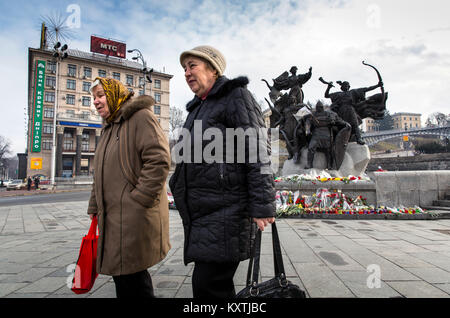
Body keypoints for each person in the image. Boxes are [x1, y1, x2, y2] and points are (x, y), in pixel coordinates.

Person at [169, 45, 276, 298]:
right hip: (203, 212)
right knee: (211, 286)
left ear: (213, 69)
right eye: (184, 68)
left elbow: (258, 149)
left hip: (226, 211)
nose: (186, 72)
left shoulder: (235, 96)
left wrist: (262, 205)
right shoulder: (197, 108)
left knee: (208, 285)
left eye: (192, 65)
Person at [87, 77, 171, 298]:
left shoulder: (140, 117)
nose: (95, 101)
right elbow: (101, 173)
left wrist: (140, 198)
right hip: (113, 216)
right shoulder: (109, 126)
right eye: (93, 97)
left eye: (100, 95)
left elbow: (159, 159)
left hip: (132, 215)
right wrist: (94, 205)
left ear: (115, 94)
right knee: (124, 276)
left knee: (132, 277)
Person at [324, 80, 382, 145]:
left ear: (349, 87)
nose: (345, 87)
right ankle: (341, 139)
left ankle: (359, 138)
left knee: (355, 124)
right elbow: (326, 95)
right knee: (341, 125)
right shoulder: (338, 94)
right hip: (341, 111)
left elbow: (366, 89)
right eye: (344, 85)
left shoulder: (352, 92)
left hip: (350, 109)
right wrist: (328, 87)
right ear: (342, 87)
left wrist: (377, 85)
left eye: (347, 85)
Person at [304, 101, 351, 169]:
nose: (319, 108)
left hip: (326, 134)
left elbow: (338, 120)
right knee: (311, 148)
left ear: (322, 107)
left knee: (328, 150)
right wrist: (307, 130)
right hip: (316, 134)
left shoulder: (329, 114)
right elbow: (308, 122)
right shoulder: (312, 114)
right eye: (318, 107)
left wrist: (345, 123)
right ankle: (309, 164)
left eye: (320, 107)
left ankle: (329, 165)